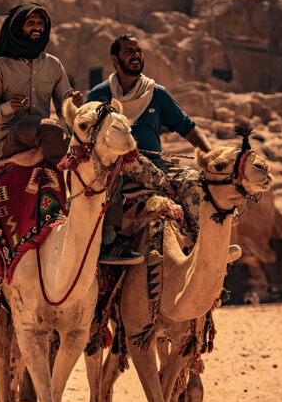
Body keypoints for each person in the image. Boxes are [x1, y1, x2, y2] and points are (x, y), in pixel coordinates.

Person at [86, 34, 212, 264]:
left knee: (195, 180)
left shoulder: (157, 93)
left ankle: (206, 245)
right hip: (116, 164)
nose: (136, 55)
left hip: (157, 165)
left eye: (138, 50)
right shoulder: (99, 95)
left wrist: (210, 156)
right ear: (115, 60)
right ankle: (110, 241)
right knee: (123, 157)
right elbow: (84, 133)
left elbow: (188, 127)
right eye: (128, 51)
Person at [0, 2, 83, 170]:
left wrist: (74, 105)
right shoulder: (0, 65)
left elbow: (64, 112)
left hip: (45, 135)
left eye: (40, 23)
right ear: (19, 29)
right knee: (51, 129)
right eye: (31, 23)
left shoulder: (53, 65)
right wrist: (9, 107)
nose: (37, 27)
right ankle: (69, 175)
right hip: (10, 137)